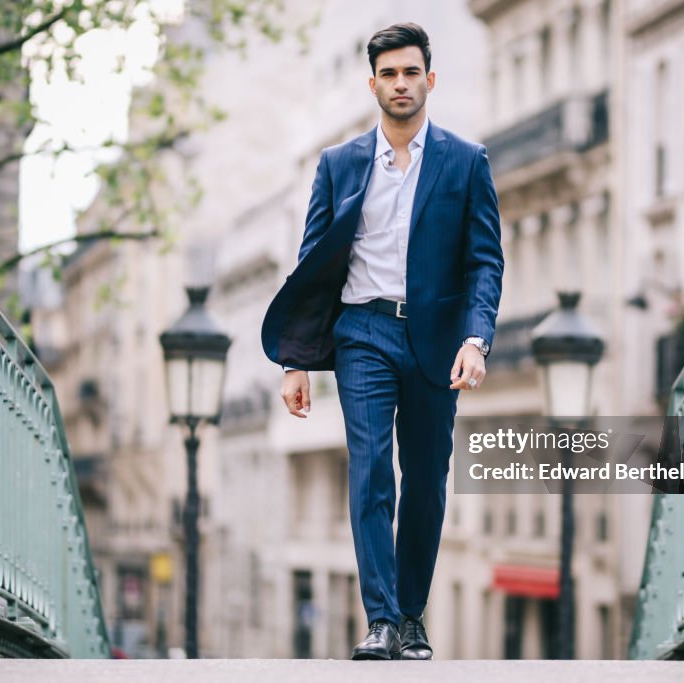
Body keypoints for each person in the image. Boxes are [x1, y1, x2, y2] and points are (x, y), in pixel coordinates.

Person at [260, 22, 503, 660]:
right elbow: (312, 267)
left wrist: (476, 339)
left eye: (410, 72)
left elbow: (484, 262)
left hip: (436, 338)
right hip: (361, 331)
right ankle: (382, 619)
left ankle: (412, 615)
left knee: (425, 478)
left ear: (430, 78)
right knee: (371, 472)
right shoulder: (338, 165)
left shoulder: (465, 161)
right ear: (373, 84)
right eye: (388, 74)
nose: (401, 83)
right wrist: (296, 361)